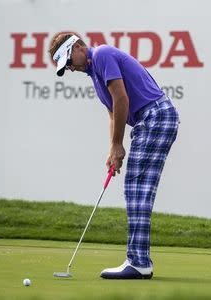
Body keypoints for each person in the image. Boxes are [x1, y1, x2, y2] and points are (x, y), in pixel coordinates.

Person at [48, 33, 179, 279]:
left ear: (78, 46)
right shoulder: (95, 75)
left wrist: (119, 144)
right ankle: (140, 261)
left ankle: (139, 262)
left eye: (69, 60)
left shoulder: (101, 55)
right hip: (153, 119)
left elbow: (122, 99)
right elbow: (112, 113)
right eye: (65, 66)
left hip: (155, 116)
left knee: (136, 188)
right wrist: (113, 149)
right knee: (139, 189)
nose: (71, 68)